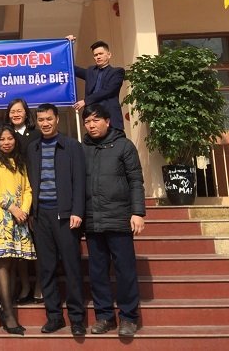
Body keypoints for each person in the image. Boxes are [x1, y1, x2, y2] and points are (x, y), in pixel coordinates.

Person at [82, 104, 146, 337]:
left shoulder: (124, 146)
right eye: (87, 122)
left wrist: (138, 212)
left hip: (119, 218)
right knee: (97, 272)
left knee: (125, 270)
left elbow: (136, 180)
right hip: (92, 219)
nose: (91, 125)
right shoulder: (82, 148)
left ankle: (128, 318)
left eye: (96, 120)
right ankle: (104, 316)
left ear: (107, 121)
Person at [27, 103, 86, 337]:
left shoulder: (72, 146)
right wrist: (32, 213)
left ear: (57, 120)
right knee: (46, 268)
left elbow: (79, 181)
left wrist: (77, 211)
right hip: (41, 215)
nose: (45, 123)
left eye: (49, 119)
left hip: (66, 215)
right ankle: (54, 316)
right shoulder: (32, 148)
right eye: (41, 120)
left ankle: (77, 318)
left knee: (72, 267)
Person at [0, 124, 36, 336]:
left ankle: (5, 307)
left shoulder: (20, 161)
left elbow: (28, 189)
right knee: (3, 262)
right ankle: (8, 313)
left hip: (19, 218)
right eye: (2, 139)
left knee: (12, 262)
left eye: (10, 138)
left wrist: (24, 210)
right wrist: (12, 207)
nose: (6, 142)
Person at [4, 98, 42, 305]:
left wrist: (30, 207)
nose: (16, 114)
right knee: (19, 248)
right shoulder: (5, 135)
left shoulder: (36, 134)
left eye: (19, 111)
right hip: (11, 201)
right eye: (12, 111)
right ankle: (25, 285)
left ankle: (39, 285)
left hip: (32, 195)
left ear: (27, 113)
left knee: (37, 246)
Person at [73, 40, 125, 131]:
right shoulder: (90, 71)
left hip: (111, 119)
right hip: (92, 117)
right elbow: (73, 69)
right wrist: (68, 45)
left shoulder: (117, 72)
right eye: (95, 55)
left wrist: (86, 101)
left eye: (101, 54)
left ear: (109, 55)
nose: (98, 57)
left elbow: (109, 90)